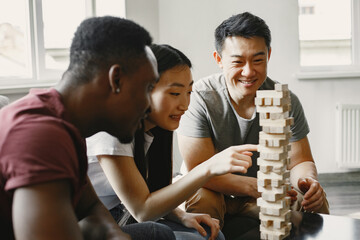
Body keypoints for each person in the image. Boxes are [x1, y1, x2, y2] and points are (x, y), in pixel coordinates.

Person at [0, 16, 178, 240]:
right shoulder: (41, 134)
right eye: (147, 88)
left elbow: (90, 206)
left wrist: (116, 236)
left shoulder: (67, 123)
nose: (147, 105)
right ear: (116, 80)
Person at [176, 11, 330, 229]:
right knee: (202, 196)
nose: (248, 72)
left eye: (258, 60)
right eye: (238, 61)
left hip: (261, 191)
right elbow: (200, 171)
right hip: (216, 188)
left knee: (314, 202)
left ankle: (251, 209)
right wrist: (257, 187)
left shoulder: (284, 99)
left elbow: (300, 161)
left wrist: (308, 182)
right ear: (219, 59)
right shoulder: (199, 97)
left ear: (269, 55)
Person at [86, 44, 256, 240]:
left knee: (210, 234)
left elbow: (153, 192)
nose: (184, 104)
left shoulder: (155, 128)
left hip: (114, 217)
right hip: (82, 226)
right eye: (175, 93)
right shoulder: (114, 128)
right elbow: (142, 211)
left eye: (189, 92)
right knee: (158, 233)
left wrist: (181, 215)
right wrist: (208, 167)